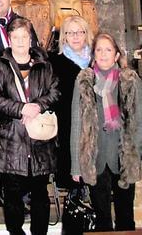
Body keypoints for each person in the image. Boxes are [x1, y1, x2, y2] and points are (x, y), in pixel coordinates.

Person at [0, 17, 59, 235]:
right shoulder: (0, 64)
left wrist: (37, 106)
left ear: (31, 38)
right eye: (15, 36)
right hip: (11, 140)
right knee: (13, 196)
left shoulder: (44, 64)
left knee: (40, 196)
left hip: (39, 141)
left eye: (24, 36)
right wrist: (20, 109)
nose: (20, 41)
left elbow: (55, 91)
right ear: (9, 38)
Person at [70, 32, 142, 231]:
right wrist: (76, 165)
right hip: (95, 158)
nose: (103, 54)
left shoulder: (130, 80)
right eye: (99, 50)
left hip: (124, 158)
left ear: (117, 55)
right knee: (101, 220)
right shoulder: (84, 80)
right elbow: (76, 123)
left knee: (126, 218)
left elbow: (139, 121)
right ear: (93, 54)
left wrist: (138, 155)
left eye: (108, 50)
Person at [48, 16, 93, 192]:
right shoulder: (54, 62)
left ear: (86, 34)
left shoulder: (96, 60)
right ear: (64, 36)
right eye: (70, 32)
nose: (75, 36)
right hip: (67, 125)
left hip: (93, 125)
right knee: (73, 177)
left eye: (79, 32)